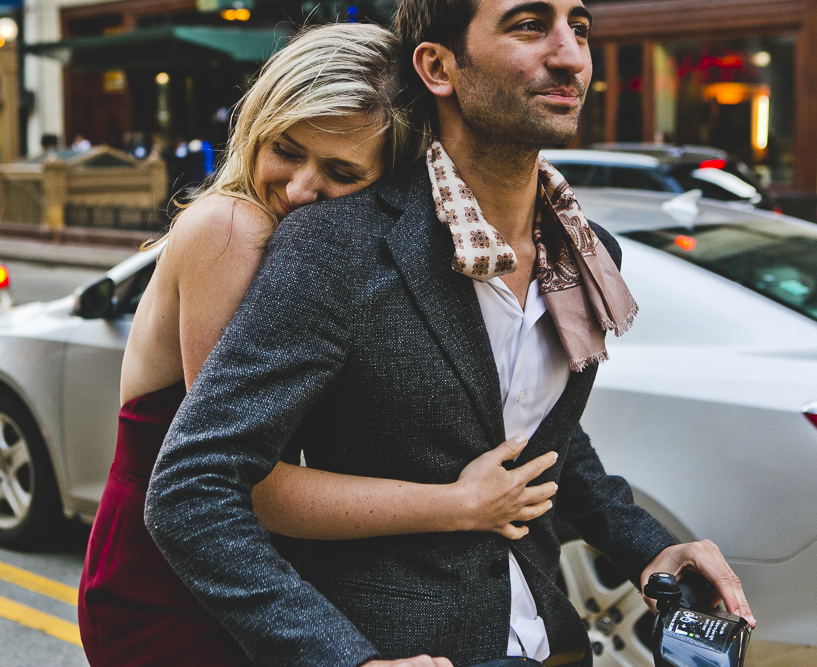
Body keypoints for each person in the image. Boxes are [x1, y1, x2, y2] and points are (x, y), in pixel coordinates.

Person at [147, 2, 755, 666]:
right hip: (394, 643)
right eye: (529, 25)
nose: (569, 54)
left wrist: (650, 545)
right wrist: (345, 659)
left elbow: (538, 437)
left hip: (551, 637)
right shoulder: (331, 242)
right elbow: (192, 488)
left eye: (578, 29)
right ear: (438, 65)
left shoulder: (585, 250)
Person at [80, 23, 555, 667]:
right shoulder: (231, 227)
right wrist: (460, 506)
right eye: (286, 148)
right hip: (178, 582)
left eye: (339, 171)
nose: (301, 188)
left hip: (271, 575)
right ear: (256, 125)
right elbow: (238, 486)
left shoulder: (335, 255)